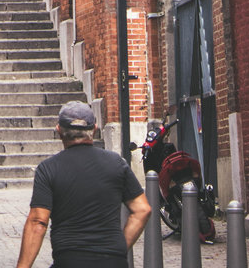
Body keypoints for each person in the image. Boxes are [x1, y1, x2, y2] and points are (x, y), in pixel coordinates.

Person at [16, 101, 150, 268]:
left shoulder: (48, 169)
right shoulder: (116, 163)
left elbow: (38, 222)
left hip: (69, 260)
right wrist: (118, 249)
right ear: (94, 129)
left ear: (59, 131)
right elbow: (142, 210)